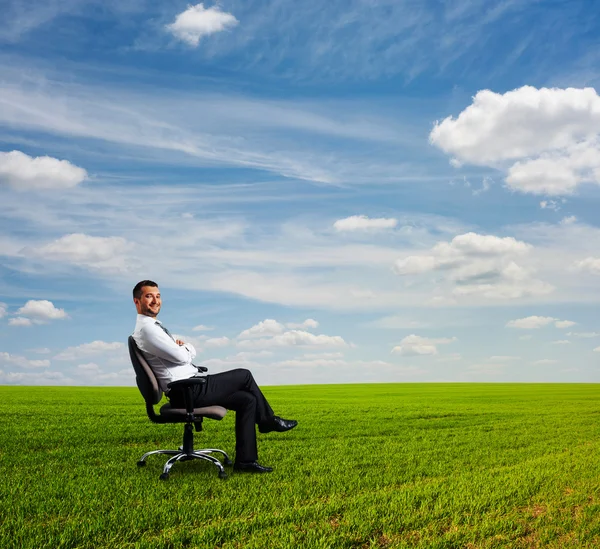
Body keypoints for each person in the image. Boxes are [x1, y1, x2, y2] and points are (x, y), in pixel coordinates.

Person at [131, 279, 297, 473]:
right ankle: (268, 421)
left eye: (158, 296)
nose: (155, 301)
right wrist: (186, 347)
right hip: (187, 390)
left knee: (247, 400)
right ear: (137, 301)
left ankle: (246, 462)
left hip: (188, 387)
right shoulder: (148, 330)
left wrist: (181, 348)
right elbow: (181, 355)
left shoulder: (153, 328)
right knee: (244, 375)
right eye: (149, 296)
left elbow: (179, 355)